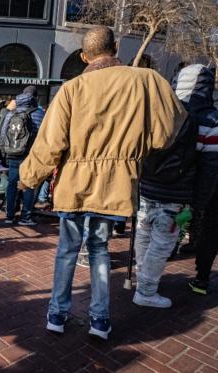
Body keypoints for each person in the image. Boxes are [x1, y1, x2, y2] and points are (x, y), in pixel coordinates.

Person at [18, 26, 186, 340]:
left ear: (84, 56)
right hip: (115, 185)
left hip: (74, 185)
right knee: (99, 250)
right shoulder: (146, 81)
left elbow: (50, 144)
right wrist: (133, 150)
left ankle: (57, 314)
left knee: (67, 251)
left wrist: (28, 179)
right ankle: (99, 320)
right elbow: (167, 133)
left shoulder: (71, 89)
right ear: (116, 47)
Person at [133, 98, 197, 307]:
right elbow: (209, 166)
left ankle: (142, 277)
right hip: (175, 194)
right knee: (160, 245)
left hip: (147, 186)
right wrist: (199, 201)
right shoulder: (201, 119)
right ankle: (146, 290)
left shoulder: (155, 113)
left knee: (143, 233)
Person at [172, 64, 218, 296]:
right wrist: (198, 203)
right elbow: (210, 168)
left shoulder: (172, 114)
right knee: (210, 231)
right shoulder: (213, 119)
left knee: (171, 222)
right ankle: (201, 278)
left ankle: (163, 259)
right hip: (206, 190)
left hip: (175, 184)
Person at [0, 87, 45, 226]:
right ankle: (25, 217)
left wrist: (5, 151)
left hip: (12, 153)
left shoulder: (11, 113)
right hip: (30, 155)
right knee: (28, 185)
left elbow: (2, 133)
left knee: (12, 184)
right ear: (35, 98)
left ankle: (10, 215)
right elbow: (44, 135)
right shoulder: (39, 113)